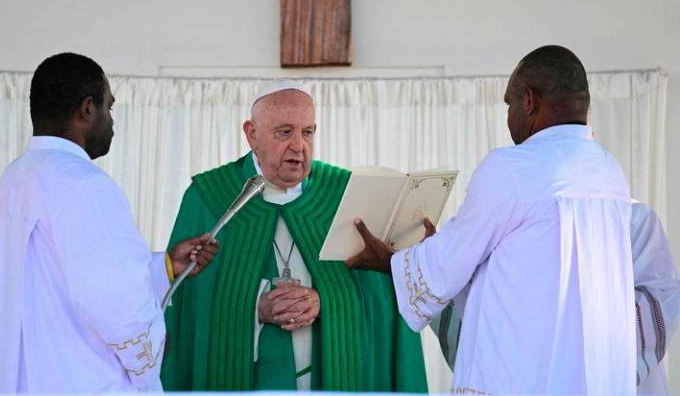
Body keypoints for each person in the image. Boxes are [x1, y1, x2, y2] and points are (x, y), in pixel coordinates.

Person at [348, 45, 635, 394]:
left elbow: (449, 264)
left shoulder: (512, 167)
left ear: (529, 100)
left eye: (509, 102)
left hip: (523, 375)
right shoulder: (609, 172)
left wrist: (391, 262)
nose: (509, 114)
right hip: (593, 375)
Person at [160, 80, 428, 391]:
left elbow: (383, 299)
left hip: (331, 379)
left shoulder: (343, 194)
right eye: (285, 132)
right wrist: (253, 307)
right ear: (252, 134)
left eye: (308, 132)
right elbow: (183, 304)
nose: (299, 146)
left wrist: (324, 300)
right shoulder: (209, 197)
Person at [0, 53, 218, 392]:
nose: (111, 121)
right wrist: (149, 348)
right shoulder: (83, 183)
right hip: (82, 380)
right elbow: (114, 298)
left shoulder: (16, 177)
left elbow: (58, 280)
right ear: (87, 108)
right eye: (109, 107)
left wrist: (164, 266)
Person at [430, 201, 680, 394]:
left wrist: (560, 353)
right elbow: (477, 305)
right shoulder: (505, 227)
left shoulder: (631, 219)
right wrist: (429, 258)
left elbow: (658, 303)